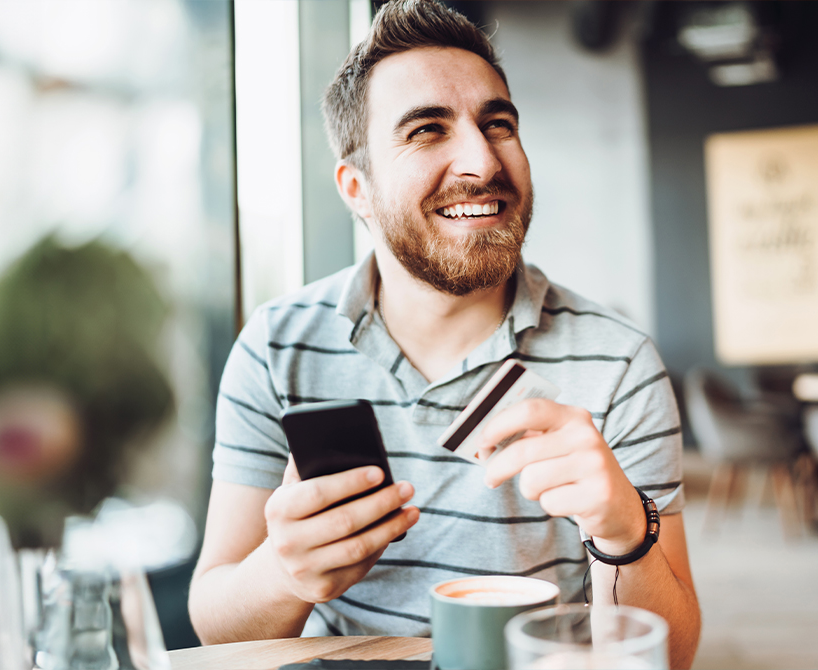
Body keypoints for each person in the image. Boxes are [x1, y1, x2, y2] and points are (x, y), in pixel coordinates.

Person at [186, 1, 701, 667]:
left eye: (499, 125)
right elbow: (214, 624)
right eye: (428, 130)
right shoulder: (277, 346)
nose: (482, 161)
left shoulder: (619, 364)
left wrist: (623, 528)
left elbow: (673, 657)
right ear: (356, 188)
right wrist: (285, 574)